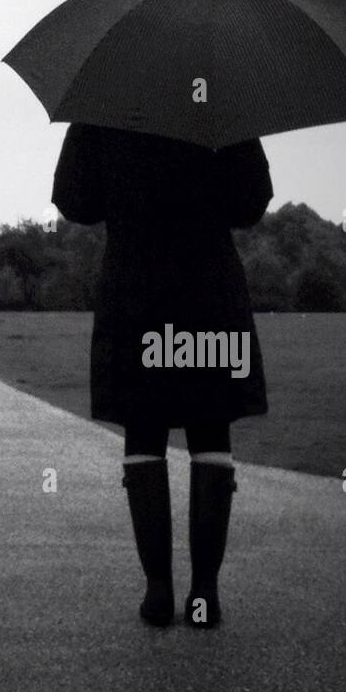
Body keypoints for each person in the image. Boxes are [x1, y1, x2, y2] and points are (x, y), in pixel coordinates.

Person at [51, 123, 273, 628]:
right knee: (211, 429)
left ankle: (157, 591)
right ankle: (204, 593)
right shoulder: (222, 103)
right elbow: (251, 204)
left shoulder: (104, 104)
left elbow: (74, 200)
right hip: (209, 291)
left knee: (143, 429)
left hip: (136, 291)